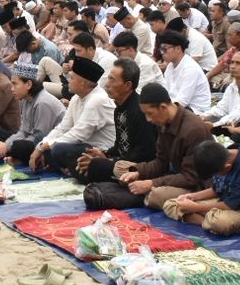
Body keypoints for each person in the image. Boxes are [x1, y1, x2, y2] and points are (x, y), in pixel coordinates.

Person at [83, 82, 213, 211]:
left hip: (196, 185)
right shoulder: (163, 122)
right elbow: (160, 162)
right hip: (169, 175)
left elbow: (191, 177)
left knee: (156, 195)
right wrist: (138, 172)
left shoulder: (193, 130)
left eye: (150, 114)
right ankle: (134, 190)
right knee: (122, 169)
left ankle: (136, 194)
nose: (148, 119)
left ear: (163, 107)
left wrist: (152, 183)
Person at [75, 59, 155, 188]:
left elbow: (144, 154)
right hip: (119, 162)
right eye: (108, 79)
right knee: (78, 155)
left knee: (95, 165)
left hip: (137, 166)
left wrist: (109, 161)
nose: (107, 84)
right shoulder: (119, 108)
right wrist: (104, 154)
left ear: (128, 85)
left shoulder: (140, 111)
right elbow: (119, 145)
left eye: (112, 80)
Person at [161, 139, 240, 236]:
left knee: (220, 222)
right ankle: (207, 221)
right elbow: (215, 189)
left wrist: (195, 208)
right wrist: (191, 197)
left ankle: (206, 220)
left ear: (227, 167)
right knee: (170, 204)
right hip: (222, 203)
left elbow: (230, 205)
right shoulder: (220, 158)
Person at [30, 56, 115, 172]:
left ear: (83, 84)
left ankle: (69, 168)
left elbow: (78, 134)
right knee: (44, 147)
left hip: (100, 152)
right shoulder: (76, 98)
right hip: (82, 145)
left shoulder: (97, 100)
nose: (68, 81)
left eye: (72, 78)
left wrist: (46, 146)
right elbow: (63, 128)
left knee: (57, 149)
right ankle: (67, 168)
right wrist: (41, 145)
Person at [0, 61, 65, 164]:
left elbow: (40, 138)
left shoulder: (43, 103)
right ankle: (14, 156)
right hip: (34, 140)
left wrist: (8, 147)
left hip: (51, 144)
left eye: (14, 84)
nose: (11, 89)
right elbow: (23, 131)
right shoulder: (25, 100)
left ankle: (18, 158)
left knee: (18, 147)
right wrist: (6, 144)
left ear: (28, 84)